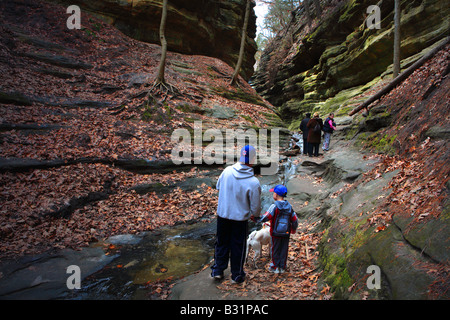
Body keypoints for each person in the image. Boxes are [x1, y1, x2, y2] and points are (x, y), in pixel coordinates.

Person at [211, 145, 262, 284]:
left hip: (223, 215)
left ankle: (217, 270)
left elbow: (218, 187)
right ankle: (236, 275)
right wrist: (255, 215)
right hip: (239, 219)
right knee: (238, 246)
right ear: (253, 160)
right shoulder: (253, 182)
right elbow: (256, 206)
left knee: (221, 243)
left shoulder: (227, 171)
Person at [259, 185, 298, 274]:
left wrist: (256, 219)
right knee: (284, 249)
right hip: (286, 232)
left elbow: (267, 216)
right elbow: (295, 219)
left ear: (276, 195)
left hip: (275, 232)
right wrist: (293, 229)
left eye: (273, 193)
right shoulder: (289, 206)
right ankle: (282, 266)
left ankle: (275, 267)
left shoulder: (274, 206)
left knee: (275, 249)